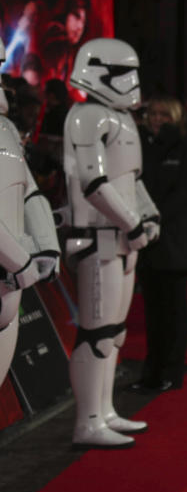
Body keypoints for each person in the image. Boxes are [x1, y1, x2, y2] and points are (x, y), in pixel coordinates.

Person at [63, 37, 160, 448]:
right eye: (123, 73)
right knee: (97, 332)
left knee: (114, 332)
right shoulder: (85, 117)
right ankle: (87, 419)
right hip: (99, 238)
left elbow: (130, 181)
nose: (131, 82)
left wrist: (146, 215)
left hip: (119, 237)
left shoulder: (116, 118)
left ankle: (103, 411)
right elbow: (94, 183)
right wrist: (136, 221)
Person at [0, 38, 60, 388]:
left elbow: (29, 191)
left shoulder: (6, 128)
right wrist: (21, 260)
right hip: (14, 269)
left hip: (12, 278)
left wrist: (46, 246)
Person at [133, 93, 187, 391]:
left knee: (173, 311)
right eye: (153, 114)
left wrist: (153, 216)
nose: (157, 119)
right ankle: (152, 372)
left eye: (164, 114)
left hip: (174, 242)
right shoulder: (140, 148)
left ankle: (171, 373)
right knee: (152, 312)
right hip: (147, 243)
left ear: (176, 117)